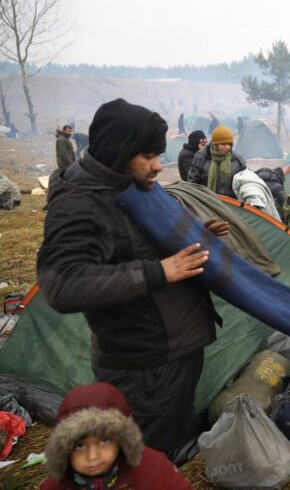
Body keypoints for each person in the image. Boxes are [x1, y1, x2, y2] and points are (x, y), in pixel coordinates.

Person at [37, 98, 229, 461]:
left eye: (159, 153)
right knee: (142, 458)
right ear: (119, 151)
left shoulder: (129, 184)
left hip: (175, 350)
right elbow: (61, 282)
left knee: (164, 450)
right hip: (145, 363)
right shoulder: (79, 203)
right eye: (148, 155)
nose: (158, 165)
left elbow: (137, 243)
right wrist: (160, 271)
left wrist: (197, 234)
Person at [41, 383, 193, 490]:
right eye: (79, 446)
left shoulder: (153, 468)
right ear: (64, 450)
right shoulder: (55, 486)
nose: (93, 456)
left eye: (104, 440)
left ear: (121, 440)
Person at [187, 125, 247, 199]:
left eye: (229, 144)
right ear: (215, 144)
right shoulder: (201, 157)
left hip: (230, 206)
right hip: (206, 203)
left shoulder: (237, 161)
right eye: (224, 144)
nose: (227, 147)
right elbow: (192, 182)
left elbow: (245, 185)